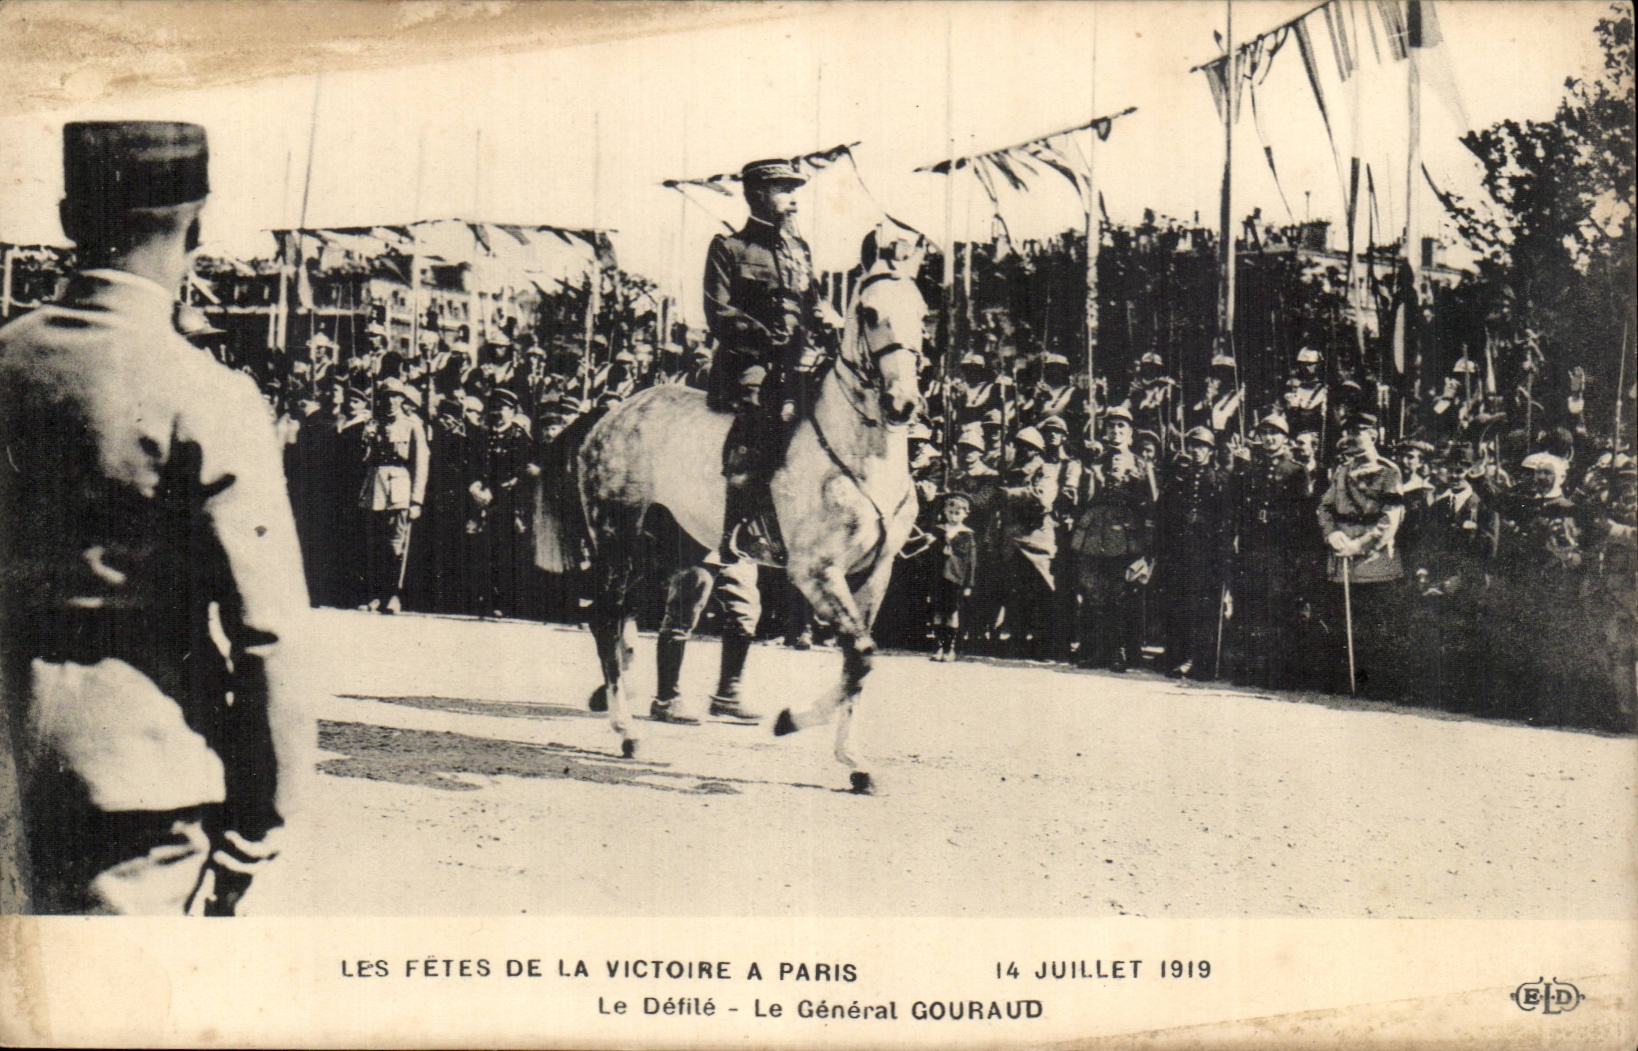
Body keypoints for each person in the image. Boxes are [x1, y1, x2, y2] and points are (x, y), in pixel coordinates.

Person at [0, 121, 311, 915]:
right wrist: (260, 820)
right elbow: (268, 632)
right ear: (197, 227)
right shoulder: (206, 393)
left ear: (68, 219)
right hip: (138, 784)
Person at [704, 157, 840, 562]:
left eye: (794, 190)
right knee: (757, 417)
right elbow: (718, 312)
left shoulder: (799, 249)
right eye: (785, 190)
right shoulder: (729, 248)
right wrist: (767, 339)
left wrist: (826, 316)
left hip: (801, 356)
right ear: (759, 195)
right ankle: (740, 527)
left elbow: (812, 301)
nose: (794, 199)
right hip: (750, 360)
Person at [1316, 411, 1405, 695]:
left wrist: (1359, 545)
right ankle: (1345, 680)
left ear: (1373, 436)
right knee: (1343, 620)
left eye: (1358, 432)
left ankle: (1376, 684)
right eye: (1348, 433)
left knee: (1373, 622)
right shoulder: (1343, 470)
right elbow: (1325, 507)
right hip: (1342, 555)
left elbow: (1390, 518)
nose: (1351, 438)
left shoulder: (1388, 471)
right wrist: (1332, 534)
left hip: (1373, 560)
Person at [1227, 412, 1312, 688]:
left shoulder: (1296, 471)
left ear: (1285, 438)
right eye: (1264, 433)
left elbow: (1302, 514)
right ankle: (1251, 667)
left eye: (1274, 433)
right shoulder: (1251, 469)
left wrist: (1273, 519)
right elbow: (1238, 504)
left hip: (1280, 549)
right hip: (1253, 546)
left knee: (1277, 607)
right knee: (1251, 604)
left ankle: (1278, 672)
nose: (1269, 438)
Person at [1068, 405, 1155, 672]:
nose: (1116, 431)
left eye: (1121, 426)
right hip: (1095, 534)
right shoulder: (1094, 461)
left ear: (1130, 432)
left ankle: (1120, 651)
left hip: (1125, 537)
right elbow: (1083, 498)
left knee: (1120, 595)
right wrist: (1090, 468)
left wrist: (1146, 545)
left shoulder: (1141, 464)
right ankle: (1096, 650)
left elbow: (1151, 505)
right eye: (1111, 426)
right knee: (1094, 594)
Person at [1158, 426, 1229, 679]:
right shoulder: (1180, 477)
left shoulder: (1220, 478)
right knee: (1179, 603)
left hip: (1207, 552)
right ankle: (1177, 655)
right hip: (1181, 550)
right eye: (1194, 446)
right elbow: (1166, 510)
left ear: (1211, 450)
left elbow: (1226, 517)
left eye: (1202, 446)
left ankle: (1201, 661)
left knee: (1203, 607)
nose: (1197, 451)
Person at [358, 378, 430, 615]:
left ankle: (393, 595)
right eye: (386, 397)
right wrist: (366, 440)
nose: (391, 401)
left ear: (402, 399)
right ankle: (375, 595)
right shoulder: (372, 424)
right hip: (374, 488)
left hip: (399, 489)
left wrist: (416, 500)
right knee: (374, 543)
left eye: (395, 396)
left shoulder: (412, 425)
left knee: (395, 545)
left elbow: (421, 464)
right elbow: (363, 460)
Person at [928, 493, 979, 662]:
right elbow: (930, 555)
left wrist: (968, 584)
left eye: (958, 512)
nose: (953, 515)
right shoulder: (938, 531)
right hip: (938, 577)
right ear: (945, 512)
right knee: (937, 612)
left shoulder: (967, 534)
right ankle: (937, 647)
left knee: (952, 612)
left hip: (955, 579)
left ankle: (949, 648)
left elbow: (971, 562)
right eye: (950, 512)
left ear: (965, 514)